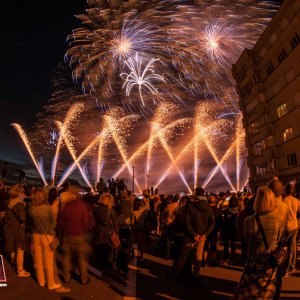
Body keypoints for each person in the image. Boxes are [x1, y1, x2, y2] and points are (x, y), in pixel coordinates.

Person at [234, 187, 283, 299]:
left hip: (254, 260)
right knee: (267, 290)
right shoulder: (278, 218)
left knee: (250, 290)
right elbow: (279, 238)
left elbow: (248, 240)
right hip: (271, 260)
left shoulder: (249, 220)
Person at [173, 187, 214, 278]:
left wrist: (194, 234)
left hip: (191, 236)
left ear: (196, 194)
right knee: (198, 256)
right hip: (202, 236)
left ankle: (176, 273)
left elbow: (187, 223)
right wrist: (205, 234)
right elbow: (212, 223)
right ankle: (196, 274)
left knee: (183, 256)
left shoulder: (191, 206)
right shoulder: (209, 207)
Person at [27, 188, 61, 290]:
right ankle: (50, 283)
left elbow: (30, 223)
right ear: (44, 197)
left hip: (36, 235)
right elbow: (53, 223)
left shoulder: (31, 208)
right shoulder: (48, 208)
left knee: (38, 259)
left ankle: (41, 281)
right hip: (47, 235)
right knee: (48, 261)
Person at [59, 190, 92, 285]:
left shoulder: (66, 206)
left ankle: (66, 277)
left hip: (67, 235)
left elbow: (61, 221)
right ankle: (84, 278)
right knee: (81, 257)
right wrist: (85, 231)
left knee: (66, 257)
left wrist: (63, 232)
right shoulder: (81, 205)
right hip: (78, 234)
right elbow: (85, 221)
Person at [3, 185, 30, 277]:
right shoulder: (18, 204)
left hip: (9, 228)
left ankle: (14, 261)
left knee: (11, 246)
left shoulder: (8, 203)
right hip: (17, 229)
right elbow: (22, 218)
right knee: (20, 249)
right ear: (17, 193)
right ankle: (20, 270)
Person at [93, 193, 119, 272]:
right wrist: (117, 235)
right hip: (108, 234)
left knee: (100, 253)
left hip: (98, 234)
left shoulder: (96, 209)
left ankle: (101, 268)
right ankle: (108, 269)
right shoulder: (111, 210)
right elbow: (115, 225)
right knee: (109, 253)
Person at [282, 182, 300, 275]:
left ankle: (286, 269)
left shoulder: (283, 201)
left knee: (287, 249)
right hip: (295, 226)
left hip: (287, 227)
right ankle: (292, 265)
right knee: (292, 248)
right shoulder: (296, 201)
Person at [203, 195, 223, 267]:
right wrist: (218, 229)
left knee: (205, 247)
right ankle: (213, 261)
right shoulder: (217, 210)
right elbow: (220, 221)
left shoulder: (205, 209)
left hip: (205, 231)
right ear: (215, 202)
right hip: (214, 231)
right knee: (213, 247)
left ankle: (203, 261)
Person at [221, 196, 239, 265]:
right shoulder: (238, 212)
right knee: (233, 246)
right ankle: (232, 259)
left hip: (226, 230)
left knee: (226, 246)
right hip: (234, 230)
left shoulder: (225, 211)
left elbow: (223, 221)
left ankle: (226, 259)